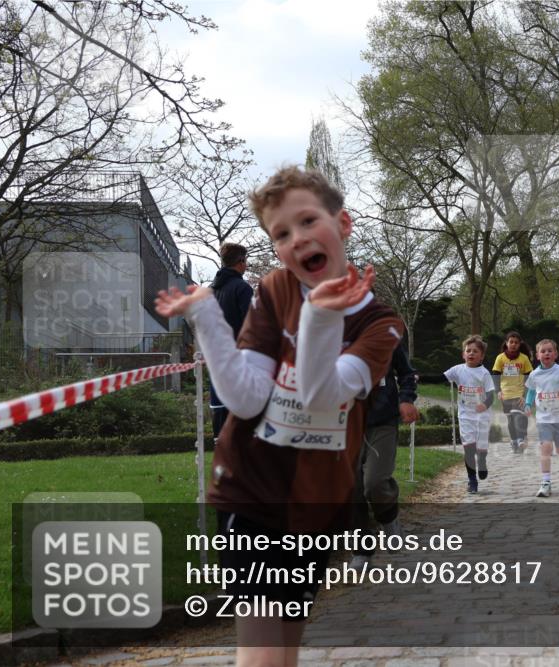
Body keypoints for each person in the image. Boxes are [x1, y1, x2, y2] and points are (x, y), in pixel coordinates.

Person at [155, 166, 403, 667]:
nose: (296, 240)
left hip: (316, 500)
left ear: (344, 224)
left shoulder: (381, 324)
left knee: (285, 643)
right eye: (281, 234)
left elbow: (319, 395)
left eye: (308, 221)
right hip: (251, 485)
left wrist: (322, 316)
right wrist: (205, 314)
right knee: (263, 649)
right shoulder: (274, 290)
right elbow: (246, 399)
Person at [349, 342, 419, 571]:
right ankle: (361, 551)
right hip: (342, 423)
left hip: (382, 421)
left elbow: (407, 373)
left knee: (375, 482)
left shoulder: (385, 332)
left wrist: (406, 399)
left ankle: (389, 520)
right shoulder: (326, 330)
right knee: (351, 489)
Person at [209, 242, 254, 440]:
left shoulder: (211, 290)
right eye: (245, 261)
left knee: (220, 408)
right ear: (241, 261)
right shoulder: (242, 288)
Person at [525, 339, 559, 498]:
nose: (546, 353)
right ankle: (546, 482)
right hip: (543, 418)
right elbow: (531, 391)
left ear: (555, 354)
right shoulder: (535, 374)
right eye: (543, 351)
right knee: (546, 448)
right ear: (537, 355)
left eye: (550, 351)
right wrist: (528, 403)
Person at [445, 335, 496, 493]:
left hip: (482, 416)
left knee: (480, 448)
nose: (471, 354)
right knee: (468, 448)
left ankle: (482, 461)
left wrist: (484, 404)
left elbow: (491, 395)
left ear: (482, 356)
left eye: (475, 351)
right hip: (465, 415)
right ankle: (472, 481)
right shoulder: (458, 370)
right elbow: (440, 378)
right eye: (468, 351)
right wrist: (418, 377)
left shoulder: (484, 373)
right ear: (463, 354)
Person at [492, 332, 534, 453]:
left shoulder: (524, 359)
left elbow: (529, 378)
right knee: (510, 419)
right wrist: (498, 391)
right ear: (506, 343)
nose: (513, 344)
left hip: (519, 393)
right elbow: (495, 375)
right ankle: (514, 440)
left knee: (518, 416)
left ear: (519, 344)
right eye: (511, 342)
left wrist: (525, 394)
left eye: (516, 342)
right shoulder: (500, 358)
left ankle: (521, 439)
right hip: (505, 394)